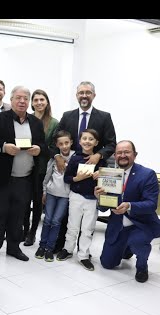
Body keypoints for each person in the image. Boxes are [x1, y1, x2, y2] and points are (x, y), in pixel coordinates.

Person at [53, 81, 116, 253]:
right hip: (71, 167)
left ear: (93, 95)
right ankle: (64, 246)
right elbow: (55, 140)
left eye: (88, 92)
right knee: (69, 213)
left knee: (88, 217)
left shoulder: (104, 117)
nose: (84, 96)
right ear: (76, 95)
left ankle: (84, 252)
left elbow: (111, 144)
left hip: (93, 170)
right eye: (81, 92)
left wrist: (98, 155)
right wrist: (58, 156)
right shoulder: (67, 116)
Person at [0, 86, 46, 262]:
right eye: (18, 98)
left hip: (25, 179)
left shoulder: (36, 122)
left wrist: (39, 149)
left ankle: (13, 247)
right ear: (10, 100)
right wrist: (4, 147)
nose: (22, 101)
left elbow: (43, 146)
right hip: (3, 177)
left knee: (18, 215)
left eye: (25, 98)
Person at [96, 140, 160, 282]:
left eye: (127, 152)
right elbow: (103, 208)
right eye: (119, 152)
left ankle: (142, 266)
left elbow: (151, 204)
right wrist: (99, 198)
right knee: (107, 264)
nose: (122, 155)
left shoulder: (147, 174)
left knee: (138, 242)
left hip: (140, 224)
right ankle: (127, 248)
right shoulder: (109, 175)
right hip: (118, 225)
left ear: (135, 155)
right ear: (115, 155)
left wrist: (130, 206)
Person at [56, 129, 106, 270]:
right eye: (84, 138)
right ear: (79, 141)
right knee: (72, 226)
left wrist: (100, 174)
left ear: (96, 143)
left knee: (87, 228)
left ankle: (84, 255)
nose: (87, 141)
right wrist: (77, 178)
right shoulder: (75, 158)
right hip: (76, 197)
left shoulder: (101, 161)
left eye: (91, 139)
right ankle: (68, 249)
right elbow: (67, 178)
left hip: (92, 200)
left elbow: (107, 180)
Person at [24, 89, 59, 246]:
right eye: (36, 100)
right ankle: (24, 230)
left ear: (47, 102)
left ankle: (32, 233)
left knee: (37, 201)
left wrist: (40, 149)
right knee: (24, 200)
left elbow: (53, 147)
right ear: (31, 103)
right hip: (24, 165)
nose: (39, 103)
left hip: (41, 167)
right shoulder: (25, 119)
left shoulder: (53, 123)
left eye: (42, 100)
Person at [35, 130, 74, 262]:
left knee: (56, 221)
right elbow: (47, 177)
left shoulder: (75, 158)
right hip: (51, 194)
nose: (64, 146)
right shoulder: (53, 159)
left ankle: (50, 249)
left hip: (65, 196)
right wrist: (45, 192)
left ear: (71, 143)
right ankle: (42, 246)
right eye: (61, 143)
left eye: (67, 143)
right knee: (47, 220)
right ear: (57, 145)